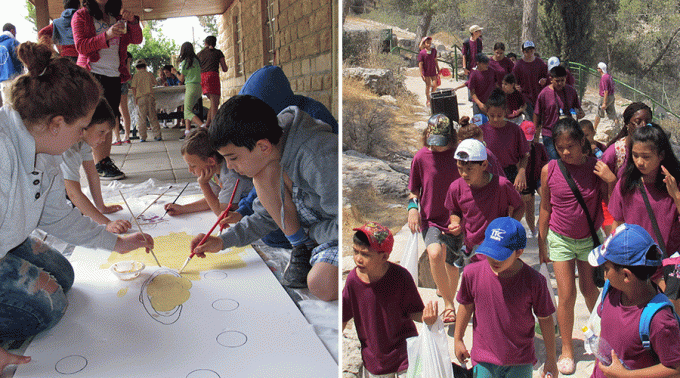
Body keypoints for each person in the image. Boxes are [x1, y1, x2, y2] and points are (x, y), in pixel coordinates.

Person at [0, 41, 152, 372]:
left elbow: (58, 217)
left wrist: (115, 243)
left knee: (64, 275)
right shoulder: (3, 156)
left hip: (6, 237)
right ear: (56, 123)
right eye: (82, 127)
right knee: (49, 306)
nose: (85, 136)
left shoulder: (44, 146)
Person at [190, 95, 338, 301]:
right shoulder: (270, 156)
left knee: (320, 284)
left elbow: (348, 223)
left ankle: (305, 246)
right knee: (261, 177)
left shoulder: (317, 158)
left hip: (338, 232)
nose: (229, 167)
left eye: (232, 158)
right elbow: (265, 216)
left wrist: (311, 234)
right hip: (318, 233)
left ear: (263, 146)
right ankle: (302, 248)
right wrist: (222, 242)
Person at [537, 118, 616, 375]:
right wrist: (541, 243)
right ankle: (567, 350)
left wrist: (611, 181)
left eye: (571, 146)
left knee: (590, 290)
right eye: (560, 148)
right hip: (560, 238)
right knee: (567, 294)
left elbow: (611, 207)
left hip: (589, 240)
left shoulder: (596, 168)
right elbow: (546, 209)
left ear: (583, 142)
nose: (566, 152)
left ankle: (601, 341)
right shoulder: (549, 170)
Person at [454, 217, 557, 378]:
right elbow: (466, 306)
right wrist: (458, 338)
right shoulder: (471, 274)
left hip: (520, 361)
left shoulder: (535, 281)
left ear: (519, 252)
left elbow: (545, 319)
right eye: (490, 252)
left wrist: (551, 358)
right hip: (484, 359)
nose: (494, 259)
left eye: (501, 255)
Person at [342, 222, 437, 378]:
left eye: (365, 254)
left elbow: (414, 311)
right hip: (374, 361)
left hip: (404, 355)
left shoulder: (401, 277)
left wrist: (427, 318)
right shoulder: (353, 280)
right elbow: (344, 316)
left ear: (384, 257)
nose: (358, 259)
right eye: (355, 252)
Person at [588, 224, 680, 377]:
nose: (604, 276)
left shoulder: (660, 319)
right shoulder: (610, 290)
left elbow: (676, 368)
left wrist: (625, 375)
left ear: (626, 276)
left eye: (606, 269)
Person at [608, 123, 680, 312]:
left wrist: (677, 197)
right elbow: (618, 222)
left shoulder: (675, 183)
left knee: (670, 321)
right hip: (635, 270)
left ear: (662, 155)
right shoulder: (626, 183)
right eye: (635, 155)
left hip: (668, 269)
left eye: (646, 157)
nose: (640, 162)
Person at [72, 0, 143, 180]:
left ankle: (103, 162)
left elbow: (137, 39)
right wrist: (107, 35)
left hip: (113, 75)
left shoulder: (117, 16)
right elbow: (81, 46)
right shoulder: (81, 15)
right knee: (94, 121)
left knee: (109, 121)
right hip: (91, 75)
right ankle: (97, 163)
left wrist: (133, 22)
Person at [408, 114, 462, 325]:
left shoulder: (458, 156)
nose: (437, 147)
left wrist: (463, 220)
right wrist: (413, 208)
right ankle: (449, 304)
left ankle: (446, 290)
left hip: (455, 219)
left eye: (442, 143)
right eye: (433, 142)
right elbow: (414, 189)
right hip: (430, 219)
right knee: (435, 253)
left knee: (452, 265)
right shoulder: (420, 158)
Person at [445, 138, 525, 267]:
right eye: (460, 168)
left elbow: (520, 206)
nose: (464, 174)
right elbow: (455, 210)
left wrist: (511, 229)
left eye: (469, 169)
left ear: (484, 165)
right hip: (471, 251)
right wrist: (454, 223)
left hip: (497, 248)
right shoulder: (455, 187)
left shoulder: (502, 185)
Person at [60, 99, 131, 234]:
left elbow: (92, 174)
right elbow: (73, 193)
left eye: (106, 134)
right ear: (85, 124)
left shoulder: (84, 141)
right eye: (101, 132)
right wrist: (107, 223)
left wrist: (101, 207)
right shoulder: (68, 147)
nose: (104, 139)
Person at [164, 128, 253, 217]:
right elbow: (212, 199)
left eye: (193, 165)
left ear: (211, 161)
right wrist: (183, 209)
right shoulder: (212, 170)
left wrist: (204, 184)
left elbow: (220, 212)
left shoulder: (231, 176)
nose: (190, 170)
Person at [480, 89, 530, 189]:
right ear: (487, 112)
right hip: (487, 174)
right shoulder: (480, 131)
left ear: (505, 112)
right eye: (492, 115)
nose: (495, 119)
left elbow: (525, 155)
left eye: (499, 115)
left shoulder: (515, 130)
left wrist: (521, 172)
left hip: (510, 174)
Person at [534, 65, 585, 160]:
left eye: (562, 80)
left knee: (567, 158)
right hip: (549, 133)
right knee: (554, 159)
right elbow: (537, 113)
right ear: (551, 79)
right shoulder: (544, 94)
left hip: (567, 132)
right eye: (557, 81)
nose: (560, 83)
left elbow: (578, 108)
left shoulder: (571, 91)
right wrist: (535, 133)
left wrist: (581, 113)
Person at [602, 102, 653, 178]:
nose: (643, 126)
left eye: (648, 122)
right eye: (638, 122)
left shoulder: (654, 149)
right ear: (627, 124)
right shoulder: (614, 153)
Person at [518, 120, 549, 238]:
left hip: (538, 178)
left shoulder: (539, 147)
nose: (528, 143)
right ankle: (532, 230)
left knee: (548, 198)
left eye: (530, 140)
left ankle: (539, 224)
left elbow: (546, 164)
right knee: (528, 210)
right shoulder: (516, 149)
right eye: (525, 140)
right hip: (524, 181)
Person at [172, 42, 204, 140]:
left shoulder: (185, 62)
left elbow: (181, 79)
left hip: (190, 87)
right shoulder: (196, 61)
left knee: (187, 111)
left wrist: (175, 72)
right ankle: (187, 131)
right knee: (188, 109)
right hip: (199, 87)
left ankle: (204, 127)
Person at [197, 36, 228, 128]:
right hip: (213, 76)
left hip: (202, 77)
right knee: (215, 104)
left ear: (205, 43)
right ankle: (215, 128)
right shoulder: (218, 53)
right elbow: (224, 68)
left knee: (213, 102)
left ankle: (208, 124)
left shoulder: (200, 54)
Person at [512, 41, 548, 119]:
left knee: (538, 120)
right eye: (527, 51)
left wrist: (544, 80)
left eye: (531, 50)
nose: (529, 53)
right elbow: (513, 80)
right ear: (523, 51)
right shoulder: (518, 65)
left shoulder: (540, 63)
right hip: (525, 96)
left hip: (538, 95)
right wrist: (515, 86)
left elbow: (546, 76)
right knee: (532, 118)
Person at [129, 58, 162, 142]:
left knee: (141, 119)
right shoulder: (149, 74)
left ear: (136, 68)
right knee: (153, 117)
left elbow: (133, 88)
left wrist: (135, 98)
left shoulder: (136, 76)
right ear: (146, 66)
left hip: (140, 98)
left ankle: (143, 137)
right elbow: (155, 83)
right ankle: (157, 135)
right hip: (150, 97)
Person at [0, 23, 22, 107]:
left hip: (3, 82)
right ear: (12, 31)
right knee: (18, 107)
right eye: (15, 32)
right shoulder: (13, 42)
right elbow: (21, 59)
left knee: (7, 107)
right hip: (15, 79)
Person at [113, 51, 132, 145]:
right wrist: (128, 62)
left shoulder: (113, 54)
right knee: (125, 111)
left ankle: (117, 138)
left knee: (114, 112)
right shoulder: (125, 56)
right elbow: (128, 74)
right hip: (123, 83)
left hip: (112, 82)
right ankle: (127, 137)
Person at [593, 62, 618, 131]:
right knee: (612, 114)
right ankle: (618, 128)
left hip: (605, 97)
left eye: (598, 68)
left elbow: (605, 91)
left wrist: (604, 102)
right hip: (611, 96)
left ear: (601, 69)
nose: (597, 69)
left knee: (598, 113)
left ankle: (594, 129)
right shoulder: (609, 76)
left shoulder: (604, 78)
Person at [417, 36, 440, 106]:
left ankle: (432, 96)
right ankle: (428, 99)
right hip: (426, 71)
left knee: (435, 85)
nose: (429, 44)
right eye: (427, 43)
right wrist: (421, 73)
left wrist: (438, 68)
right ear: (424, 43)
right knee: (428, 85)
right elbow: (420, 63)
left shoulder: (434, 51)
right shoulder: (422, 53)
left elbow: (435, 60)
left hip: (433, 71)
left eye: (430, 43)